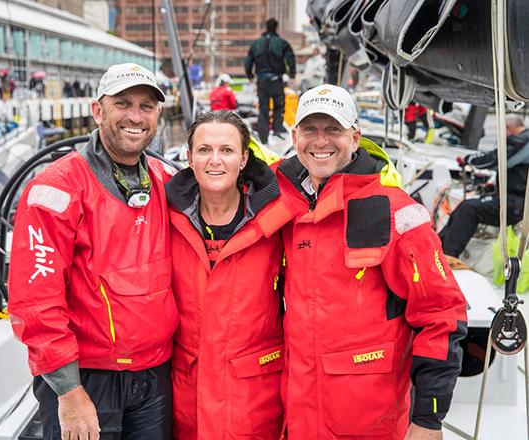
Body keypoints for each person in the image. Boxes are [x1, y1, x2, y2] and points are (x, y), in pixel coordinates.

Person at [275, 84, 467, 439]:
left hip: (369, 423)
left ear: (355, 137)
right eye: (310, 129)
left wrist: (429, 418)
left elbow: (441, 315)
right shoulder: (283, 204)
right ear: (294, 135)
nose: (321, 141)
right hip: (298, 416)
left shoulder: (394, 210)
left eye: (333, 129)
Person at [8, 62, 179, 440]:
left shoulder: (167, 182)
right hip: (87, 380)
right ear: (98, 110)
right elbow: (35, 301)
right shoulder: (55, 190)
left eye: (146, 106)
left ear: (158, 115)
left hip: (155, 375)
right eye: (123, 103)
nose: (136, 116)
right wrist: (68, 391)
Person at [166, 111, 291, 439]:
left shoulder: (277, 221)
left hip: (254, 402)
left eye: (227, 150)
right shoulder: (165, 217)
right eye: (205, 150)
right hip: (185, 398)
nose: (215, 160)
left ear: (244, 158)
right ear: (189, 157)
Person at [439, 115, 529, 266]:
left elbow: (495, 159)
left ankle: (448, 257)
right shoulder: (524, 141)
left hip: (517, 205)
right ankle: (438, 249)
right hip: (516, 200)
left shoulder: (520, 140)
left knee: (469, 209)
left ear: (509, 128)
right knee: (465, 206)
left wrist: (469, 159)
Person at [245, 18, 296, 145]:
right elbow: (290, 58)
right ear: (276, 27)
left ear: (266, 27)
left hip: (262, 81)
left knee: (263, 109)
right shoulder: (282, 43)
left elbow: (248, 61)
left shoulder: (256, 44)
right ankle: (277, 131)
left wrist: (249, 75)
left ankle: (264, 137)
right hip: (276, 80)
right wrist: (292, 74)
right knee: (279, 106)